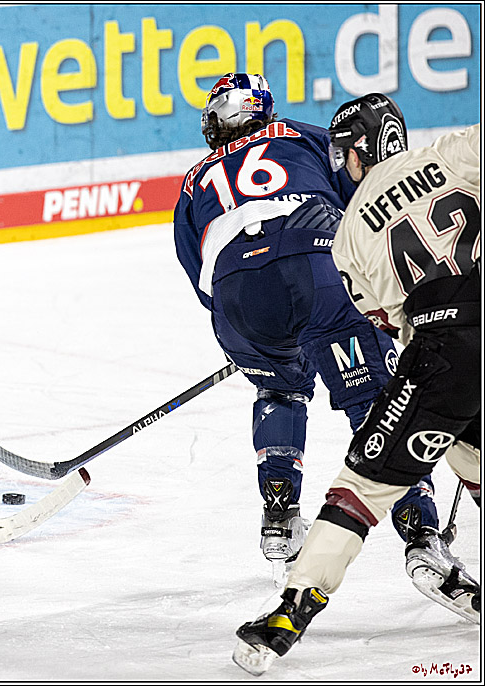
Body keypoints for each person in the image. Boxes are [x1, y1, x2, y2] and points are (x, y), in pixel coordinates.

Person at [233, 95, 480, 675]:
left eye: (342, 154)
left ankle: (289, 613)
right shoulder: (453, 152)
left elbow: (388, 321)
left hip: (444, 354)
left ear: (357, 152)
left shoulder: (348, 233)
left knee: (361, 486)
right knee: (470, 450)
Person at [173, 74, 443, 575]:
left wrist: (255, 328)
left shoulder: (193, 181)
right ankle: (420, 532)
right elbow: (364, 198)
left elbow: (201, 277)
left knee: (280, 391)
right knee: (374, 398)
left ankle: (279, 518)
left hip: (237, 302)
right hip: (316, 270)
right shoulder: (303, 135)